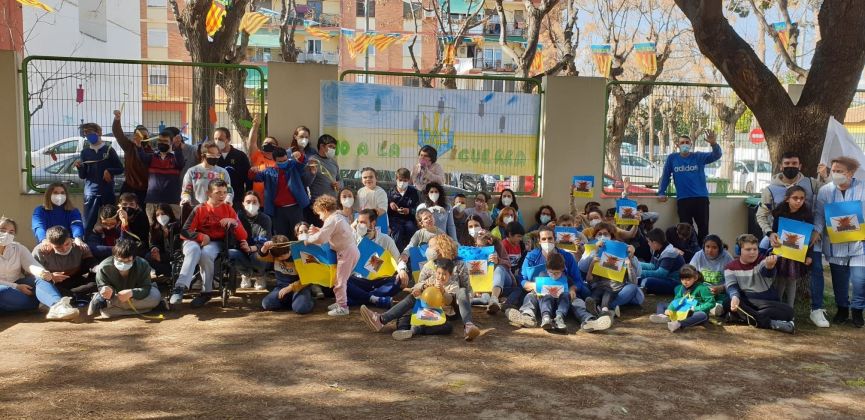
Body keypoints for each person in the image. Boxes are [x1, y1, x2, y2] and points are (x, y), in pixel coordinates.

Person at [755, 151, 828, 327]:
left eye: (794, 163)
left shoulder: (811, 184)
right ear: (781, 166)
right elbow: (761, 215)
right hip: (778, 238)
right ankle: (763, 300)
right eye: (787, 163)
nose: (790, 167)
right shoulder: (771, 188)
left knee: (816, 267)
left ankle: (816, 309)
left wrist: (826, 178)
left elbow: (828, 195)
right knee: (761, 259)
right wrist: (769, 234)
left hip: (809, 238)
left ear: (800, 166)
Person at [363, 234, 481, 341]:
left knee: (462, 291)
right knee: (411, 300)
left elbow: (467, 290)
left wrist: (450, 295)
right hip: (429, 305)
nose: (428, 250)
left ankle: (468, 325)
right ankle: (382, 320)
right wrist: (424, 286)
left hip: (452, 307)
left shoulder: (459, 264)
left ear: (441, 247)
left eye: (430, 246)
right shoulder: (429, 265)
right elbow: (417, 286)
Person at [506, 226, 611, 333]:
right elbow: (522, 279)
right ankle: (527, 316)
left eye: (550, 238)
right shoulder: (531, 257)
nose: (547, 241)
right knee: (530, 296)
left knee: (576, 300)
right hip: (540, 295)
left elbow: (578, 280)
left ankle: (589, 321)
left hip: (564, 295)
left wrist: (572, 289)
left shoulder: (567, 257)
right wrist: (533, 285)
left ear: (555, 239)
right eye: (544, 239)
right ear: (539, 241)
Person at [170, 179, 249, 308]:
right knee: (194, 250)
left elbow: (243, 236)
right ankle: (179, 288)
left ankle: (206, 292)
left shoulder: (228, 209)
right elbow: (184, 232)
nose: (222, 196)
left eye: (224, 192)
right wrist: (201, 236)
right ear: (209, 193)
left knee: (206, 253)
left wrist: (233, 222)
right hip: (194, 240)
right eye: (218, 192)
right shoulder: (199, 209)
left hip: (215, 243)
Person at [814, 156, 865, 328]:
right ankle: (842, 308)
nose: (835, 174)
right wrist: (817, 231)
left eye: (839, 171)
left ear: (850, 173)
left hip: (860, 244)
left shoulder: (862, 188)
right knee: (839, 280)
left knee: (860, 281)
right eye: (833, 170)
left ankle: (858, 311)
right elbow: (819, 215)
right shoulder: (826, 191)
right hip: (836, 244)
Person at [0, 217, 79, 320]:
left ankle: (57, 306)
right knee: (3, 292)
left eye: (11, 232)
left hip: (21, 289)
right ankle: (41, 299)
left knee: (40, 278)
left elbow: (31, 264)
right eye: (2, 230)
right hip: (8, 289)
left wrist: (42, 272)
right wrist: (16, 286)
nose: (7, 234)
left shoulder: (18, 248)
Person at [359, 258, 456, 341]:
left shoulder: (453, 285)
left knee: (448, 327)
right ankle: (383, 320)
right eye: (439, 273)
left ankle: (414, 330)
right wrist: (422, 287)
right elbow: (416, 286)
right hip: (423, 310)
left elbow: (450, 300)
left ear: (450, 275)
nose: (440, 276)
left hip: (439, 315)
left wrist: (443, 291)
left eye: (444, 274)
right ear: (435, 272)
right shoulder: (432, 280)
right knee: (409, 305)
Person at [656, 130, 721, 243]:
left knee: (703, 228)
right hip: (683, 199)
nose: (684, 144)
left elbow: (716, 155)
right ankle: (692, 250)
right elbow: (666, 176)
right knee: (685, 229)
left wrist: (713, 144)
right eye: (682, 143)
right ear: (678, 145)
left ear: (691, 145)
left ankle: (703, 251)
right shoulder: (672, 158)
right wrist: (661, 192)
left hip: (701, 198)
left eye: (687, 142)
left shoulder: (698, 156)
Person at [724, 234, 795, 333]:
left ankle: (742, 317)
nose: (752, 252)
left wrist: (769, 267)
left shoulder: (763, 260)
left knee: (789, 311)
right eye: (748, 249)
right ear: (739, 250)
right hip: (745, 301)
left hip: (767, 303)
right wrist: (735, 297)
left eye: (755, 249)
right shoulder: (730, 266)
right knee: (728, 302)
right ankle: (771, 323)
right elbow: (731, 286)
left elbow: (767, 271)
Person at [305, 195, 360, 316]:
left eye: (319, 214)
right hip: (349, 251)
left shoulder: (331, 220)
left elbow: (322, 238)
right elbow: (331, 233)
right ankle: (340, 301)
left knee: (340, 281)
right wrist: (319, 231)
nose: (320, 217)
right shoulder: (338, 217)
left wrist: (309, 239)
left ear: (324, 210)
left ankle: (343, 307)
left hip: (346, 253)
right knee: (338, 279)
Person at [87, 239, 162, 318]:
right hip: (116, 296)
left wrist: (132, 293)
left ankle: (109, 308)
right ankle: (148, 309)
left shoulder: (143, 265)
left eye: (128, 260)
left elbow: (146, 288)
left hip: (135, 296)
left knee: (155, 296)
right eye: (120, 260)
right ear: (114, 256)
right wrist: (106, 290)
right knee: (154, 302)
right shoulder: (103, 268)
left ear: (134, 258)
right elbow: (102, 287)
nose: (123, 264)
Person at [768, 186, 815, 309]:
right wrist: (774, 241)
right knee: (780, 280)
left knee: (792, 281)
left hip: (797, 255)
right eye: (795, 198)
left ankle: (790, 309)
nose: (799, 201)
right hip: (782, 253)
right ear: (787, 199)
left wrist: (809, 255)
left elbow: (809, 237)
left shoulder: (807, 216)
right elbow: (774, 233)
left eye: (802, 198)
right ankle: (777, 307)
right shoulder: (779, 214)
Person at [581, 222, 641, 318]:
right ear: (595, 236)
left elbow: (636, 276)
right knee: (594, 294)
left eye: (606, 234)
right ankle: (601, 308)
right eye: (599, 234)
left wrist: (631, 258)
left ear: (612, 236)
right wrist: (595, 252)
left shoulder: (623, 248)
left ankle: (603, 309)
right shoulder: (592, 247)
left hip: (614, 287)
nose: (602, 237)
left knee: (616, 291)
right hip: (597, 285)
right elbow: (582, 267)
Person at [346, 209, 402, 308]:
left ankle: (358, 299)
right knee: (342, 280)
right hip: (359, 280)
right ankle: (374, 299)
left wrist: (402, 270)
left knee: (398, 280)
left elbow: (398, 260)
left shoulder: (386, 239)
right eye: (358, 222)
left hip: (380, 280)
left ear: (372, 224)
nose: (359, 225)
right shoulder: (352, 239)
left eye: (363, 222)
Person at [75, 122, 124, 231]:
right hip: (91, 193)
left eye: (90, 132)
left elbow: (120, 169)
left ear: (99, 132)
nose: (88, 135)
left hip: (107, 191)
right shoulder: (85, 152)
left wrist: (109, 171)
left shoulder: (108, 150)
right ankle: (88, 244)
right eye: (85, 133)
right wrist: (79, 167)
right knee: (88, 223)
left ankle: (109, 244)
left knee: (110, 222)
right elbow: (83, 176)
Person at [251, 147, 308, 239]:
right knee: (281, 237)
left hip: (295, 208)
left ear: (287, 157)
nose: (283, 163)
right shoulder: (269, 171)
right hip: (278, 211)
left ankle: (299, 253)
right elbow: (255, 177)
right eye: (280, 161)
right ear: (274, 160)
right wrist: (253, 170)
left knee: (299, 235)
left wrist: (300, 155)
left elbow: (303, 163)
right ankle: (283, 254)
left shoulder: (293, 165)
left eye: (285, 160)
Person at [33, 226, 97, 306]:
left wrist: (97, 268)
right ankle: (73, 296)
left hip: (75, 278)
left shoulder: (79, 246)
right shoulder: (41, 251)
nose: (64, 249)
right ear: (49, 243)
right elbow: (33, 274)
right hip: (55, 282)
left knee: (96, 282)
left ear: (70, 239)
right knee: (43, 288)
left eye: (67, 244)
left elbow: (90, 262)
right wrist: (51, 277)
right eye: (58, 247)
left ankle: (72, 296)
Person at [649, 265, 715, 332]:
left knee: (702, 315)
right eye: (682, 279)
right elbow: (677, 299)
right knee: (661, 304)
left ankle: (679, 324)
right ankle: (663, 317)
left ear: (695, 278)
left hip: (693, 312)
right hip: (682, 309)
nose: (685, 282)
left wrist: (696, 308)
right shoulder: (682, 287)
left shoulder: (702, 288)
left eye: (688, 279)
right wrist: (670, 308)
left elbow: (711, 303)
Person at [139, 127, 185, 222]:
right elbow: (141, 156)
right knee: (154, 230)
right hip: (152, 201)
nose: (162, 143)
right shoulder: (151, 157)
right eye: (160, 140)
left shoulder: (175, 158)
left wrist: (177, 147)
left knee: (173, 229)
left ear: (171, 142)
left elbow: (180, 163)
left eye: (165, 141)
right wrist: (138, 145)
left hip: (172, 202)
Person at [258, 235, 314, 313]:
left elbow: (308, 278)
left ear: (288, 249)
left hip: (299, 288)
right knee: (266, 304)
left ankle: (305, 299)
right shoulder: (276, 255)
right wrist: (265, 247)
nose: (281, 258)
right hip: (281, 287)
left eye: (283, 255)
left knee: (301, 308)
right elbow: (261, 256)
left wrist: (290, 288)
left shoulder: (299, 256)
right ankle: (292, 301)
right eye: (278, 257)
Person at [232, 191, 272, 290]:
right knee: (231, 253)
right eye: (248, 202)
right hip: (242, 250)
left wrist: (250, 248)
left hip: (259, 251)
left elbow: (264, 241)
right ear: (243, 204)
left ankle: (260, 275)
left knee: (257, 256)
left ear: (259, 204)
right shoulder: (238, 217)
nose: (251, 204)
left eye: (255, 202)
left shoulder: (265, 219)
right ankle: (245, 274)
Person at [474, 229, 518, 313]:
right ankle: (490, 303)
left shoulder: (498, 246)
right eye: (477, 245)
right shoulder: (475, 253)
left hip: (505, 281)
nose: (478, 248)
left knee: (499, 268)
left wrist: (498, 261)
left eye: (481, 246)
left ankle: (494, 299)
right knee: (485, 298)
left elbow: (508, 263)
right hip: (487, 285)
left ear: (489, 242)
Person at [111, 109, 150, 205]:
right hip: (129, 188)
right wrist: (117, 119)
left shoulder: (151, 152)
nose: (141, 139)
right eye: (138, 136)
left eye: (145, 136)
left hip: (146, 190)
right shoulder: (129, 147)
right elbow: (118, 134)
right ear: (134, 137)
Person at [397, 209, 444, 285]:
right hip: (422, 265)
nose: (429, 219)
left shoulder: (440, 232)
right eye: (426, 218)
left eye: (430, 216)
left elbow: (448, 245)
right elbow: (411, 245)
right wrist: (405, 254)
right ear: (421, 223)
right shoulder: (419, 234)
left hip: (437, 264)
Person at [689, 234, 734, 316]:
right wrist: (701, 288)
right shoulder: (698, 255)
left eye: (714, 247)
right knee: (679, 288)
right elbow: (690, 274)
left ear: (719, 248)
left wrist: (721, 288)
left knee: (730, 296)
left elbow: (733, 280)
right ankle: (711, 308)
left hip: (721, 291)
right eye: (707, 247)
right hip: (702, 289)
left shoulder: (727, 258)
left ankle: (711, 307)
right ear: (703, 247)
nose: (710, 250)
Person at [181, 141, 234, 207]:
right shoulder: (192, 172)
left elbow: (229, 189)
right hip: (198, 209)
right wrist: (186, 199)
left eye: (217, 155)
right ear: (203, 155)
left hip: (217, 209)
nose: (215, 157)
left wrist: (228, 199)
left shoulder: (223, 172)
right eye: (211, 155)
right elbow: (186, 190)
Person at [304, 134, 342, 225]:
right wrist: (312, 173)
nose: (332, 149)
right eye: (330, 146)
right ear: (322, 146)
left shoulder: (333, 162)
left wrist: (340, 184)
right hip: (319, 208)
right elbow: (306, 182)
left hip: (334, 207)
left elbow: (340, 179)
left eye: (334, 147)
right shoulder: (312, 161)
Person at [213, 127, 252, 211]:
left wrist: (248, 197)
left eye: (220, 139)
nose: (217, 142)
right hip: (215, 199)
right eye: (215, 139)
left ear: (228, 139)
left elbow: (248, 179)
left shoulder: (240, 156)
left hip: (236, 199)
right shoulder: (212, 157)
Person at [639, 228, 686, 295]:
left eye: (649, 241)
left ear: (654, 243)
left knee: (647, 281)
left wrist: (639, 272)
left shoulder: (669, 252)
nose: (648, 243)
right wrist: (636, 264)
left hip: (675, 282)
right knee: (638, 279)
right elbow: (652, 266)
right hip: (666, 278)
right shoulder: (657, 248)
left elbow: (661, 274)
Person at [246, 115, 279, 201]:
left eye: (271, 143)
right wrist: (255, 126)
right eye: (266, 142)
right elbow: (251, 143)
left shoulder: (280, 160)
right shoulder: (257, 155)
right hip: (256, 200)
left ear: (276, 147)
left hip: (272, 200)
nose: (268, 144)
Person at [388, 167, 420, 250]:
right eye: (400, 180)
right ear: (396, 179)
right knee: (397, 233)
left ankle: (412, 254)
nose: (402, 183)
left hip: (409, 220)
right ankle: (398, 255)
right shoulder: (391, 192)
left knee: (412, 230)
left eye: (405, 180)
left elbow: (418, 208)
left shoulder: (413, 192)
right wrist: (390, 204)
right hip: (395, 220)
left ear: (409, 180)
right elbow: (385, 208)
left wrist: (409, 211)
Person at [147, 203, 179, 277]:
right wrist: (154, 249)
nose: (160, 217)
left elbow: (177, 247)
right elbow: (152, 242)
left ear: (169, 214)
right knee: (148, 256)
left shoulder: (176, 225)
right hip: (162, 253)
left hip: (174, 254)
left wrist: (162, 258)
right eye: (157, 215)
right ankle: (169, 273)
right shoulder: (154, 227)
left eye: (163, 214)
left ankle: (174, 274)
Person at [356, 167, 390, 234]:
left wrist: (368, 215)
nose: (368, 179)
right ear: (361, 180)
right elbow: (358, 209)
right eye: (365, 177)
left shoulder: (380, 192)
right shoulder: (360, 191)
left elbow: (382, 210)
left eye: (371, 177)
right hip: (363, 222)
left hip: (378, 222)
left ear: (376, 178)